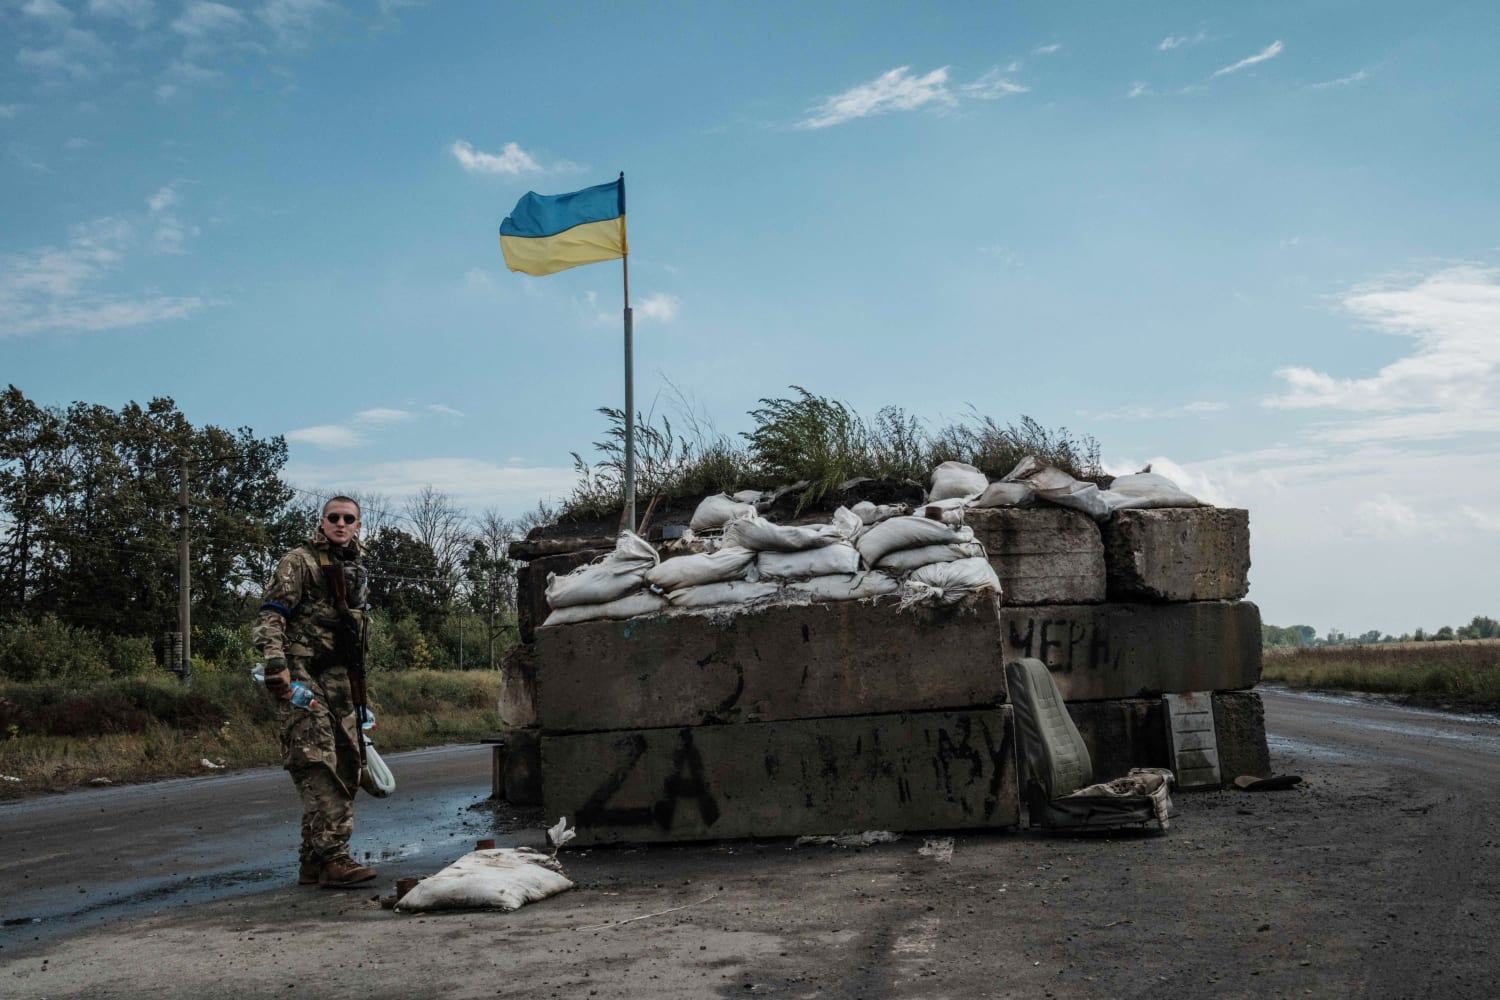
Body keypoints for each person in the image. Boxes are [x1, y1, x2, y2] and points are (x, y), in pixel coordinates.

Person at [253, 495, 377, 888]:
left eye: (349, 519)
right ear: (321, 522)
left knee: (348, 762)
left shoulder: (354, 567)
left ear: (358, 525)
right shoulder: (299, 562)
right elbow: (272, 615)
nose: (341, 524)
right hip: (302, 673)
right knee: (316, 761)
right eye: (334, 517)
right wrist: (277, 667)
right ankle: (334, 856)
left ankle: (313, 861)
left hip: (340, 678)